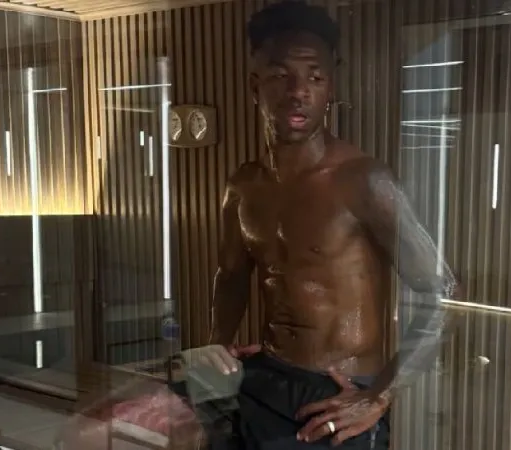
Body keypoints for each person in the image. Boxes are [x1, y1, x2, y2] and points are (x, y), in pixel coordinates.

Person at [193, 1, 463, 449]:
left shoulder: (364, 180)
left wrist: (379, 396)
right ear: (255, 85)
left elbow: (444, 293)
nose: (299, 91)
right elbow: (232, 275)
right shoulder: (244, 186)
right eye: (281, 76)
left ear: (331, 87)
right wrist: (216, 345)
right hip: (268, 377)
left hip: (341, 393)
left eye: (315, 78)